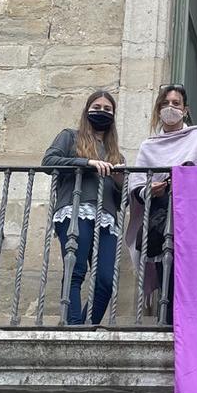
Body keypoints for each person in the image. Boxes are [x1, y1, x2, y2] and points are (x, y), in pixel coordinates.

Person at [126, 84, 197, 323]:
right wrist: (150, 190)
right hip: (161, 220)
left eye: (176, 103)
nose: (171, 108)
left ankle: (193, 325)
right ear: (159, 109)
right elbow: (136, 186)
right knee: (166, 276)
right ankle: (169, 324)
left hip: (193, 217)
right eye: (166, 103)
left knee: (193, 277)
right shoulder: (149, 146)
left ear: (185, 109)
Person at [42, 90, 125, 325]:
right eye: (97, 107)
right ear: (87, 110)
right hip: (75, 210)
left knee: (106, 281)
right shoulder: (70, 136)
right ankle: (74, 328)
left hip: (106, 218)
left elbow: (120, 201)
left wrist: (119, 182)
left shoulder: (116, 154)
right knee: (76, 271)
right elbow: (49, 162)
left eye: (107, 109)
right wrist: (87, 163)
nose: (102, 112)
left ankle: (86, 327)